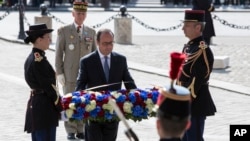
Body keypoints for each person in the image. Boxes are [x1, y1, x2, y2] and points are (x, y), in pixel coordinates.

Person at [75, 28, 137, 141]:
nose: (108, 46)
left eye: (111, 43)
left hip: (113, 113)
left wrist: (138, 98)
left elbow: (129, 83)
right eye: (105, 43)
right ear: (97, 42)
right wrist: (80, 102)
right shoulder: (87, 61)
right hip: (93, 113)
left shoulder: (120, 60)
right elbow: (80, 85)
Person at [55, 0, 96, 140]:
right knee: (69, 102)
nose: (81, 16)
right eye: (78, 13)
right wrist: (59, 72)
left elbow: (95, 54)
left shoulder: (91, 31)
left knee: (84, 102)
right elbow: (59, 53)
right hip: (69, 73)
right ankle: (70, 130)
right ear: (73, 14)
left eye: (83, 14)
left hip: (85, 75)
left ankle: (81, 129)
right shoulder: (64, 31)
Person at [177, 10, 217, 141]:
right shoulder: (189, 47)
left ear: (198, 27)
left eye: (187, 25)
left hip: (194, 104)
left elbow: (196, 81)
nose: (183, 28)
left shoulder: (202, 50)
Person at [24, 23, 62, 141]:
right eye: (47, 37)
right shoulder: (38, 60)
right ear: (40, 39)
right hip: (44, 106)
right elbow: (48, 86)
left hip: (39, 104)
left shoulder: (34, 57)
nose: (50, 40)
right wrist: (59, 103)